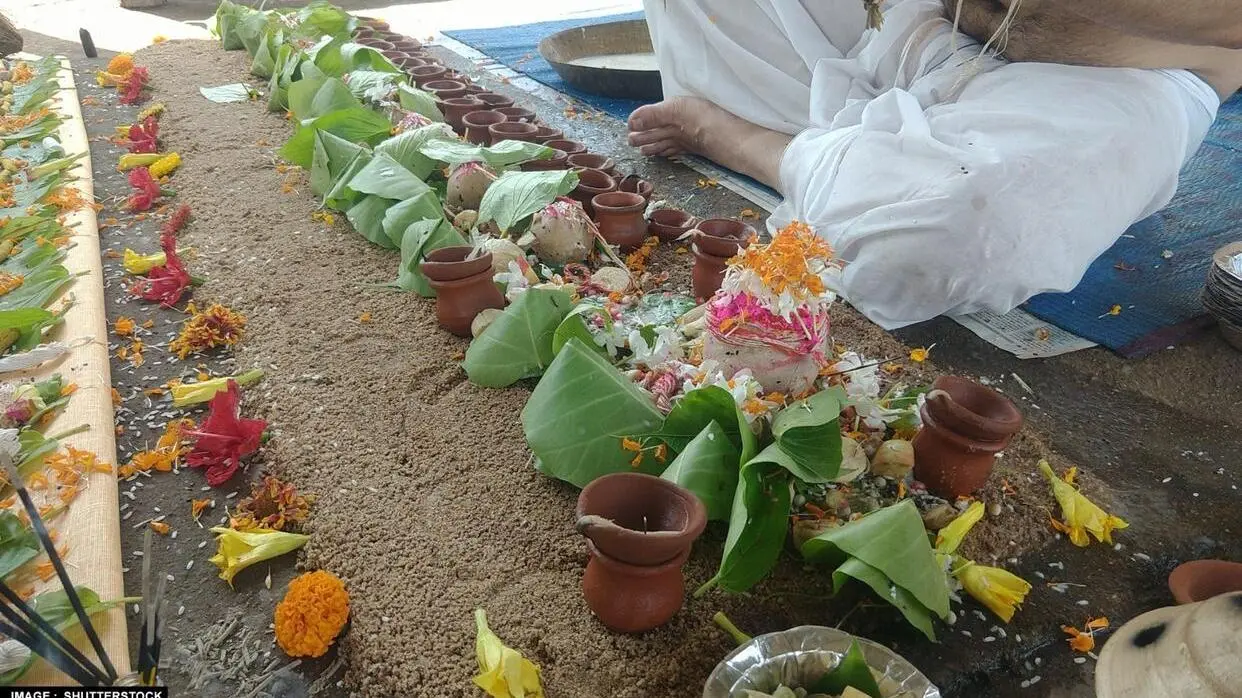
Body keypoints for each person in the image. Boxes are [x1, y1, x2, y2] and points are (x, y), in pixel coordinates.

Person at [629, 0, 1241, 328]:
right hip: (932, 26)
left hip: (1116, 81)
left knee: (952, 232)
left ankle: (739, 140)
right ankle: (855, 156)